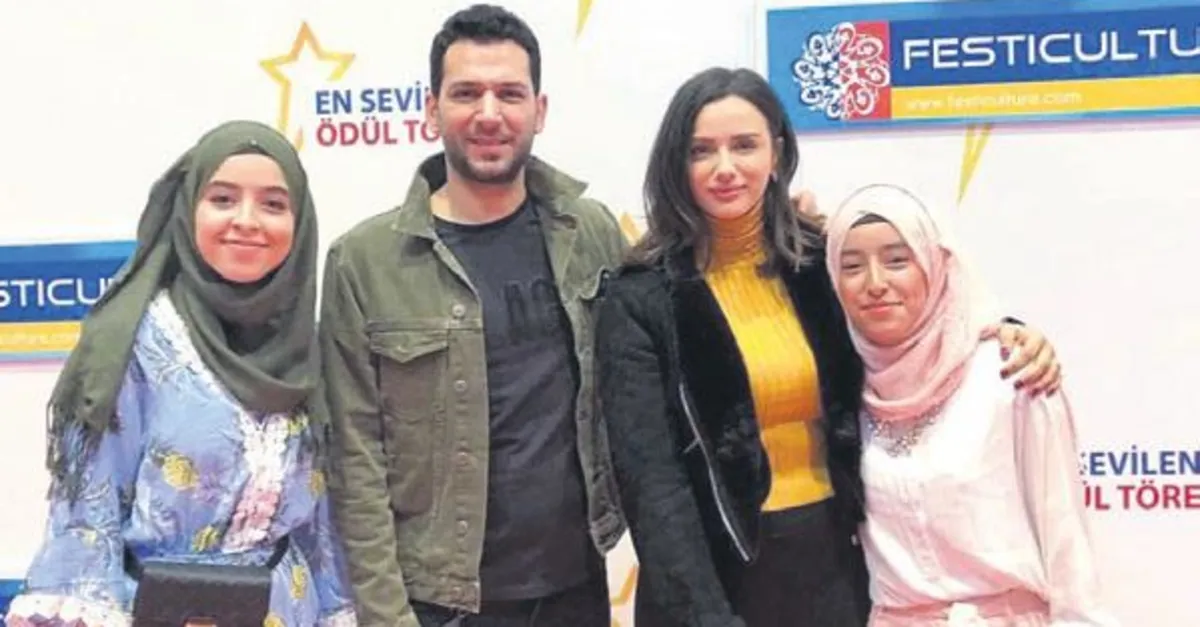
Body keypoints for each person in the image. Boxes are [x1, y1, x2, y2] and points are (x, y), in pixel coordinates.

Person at [593, 67, 1062, 627]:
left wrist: (1006, 331)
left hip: (835, 564)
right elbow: (652, 486)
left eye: (744, 145)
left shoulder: (821, 263)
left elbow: (922, 324)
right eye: (701, 151)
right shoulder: (641, 297)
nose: (725, 167)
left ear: (777, 153)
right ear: (676, 163)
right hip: (707, 578)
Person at [319, 5, 625, 626]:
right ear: (432, 111)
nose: (489, 113)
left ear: (539, 110)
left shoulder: (591, 233)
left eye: (509, 93)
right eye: (466, 93)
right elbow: (355, 462)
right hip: (439, 604)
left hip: (578, 590)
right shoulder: (363, 262)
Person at [4, 120, 357, 627]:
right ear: (188, 210)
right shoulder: (133, 342)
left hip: (286, 611)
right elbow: (87, 518)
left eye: (274, 204)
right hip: (158, 611)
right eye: (222, 199)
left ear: (299, 225)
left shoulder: (308, 347)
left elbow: (322, 530)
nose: (247, 220)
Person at [825, 184, 1116, 626]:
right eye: (851, 267)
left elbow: (1067, 546)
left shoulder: (1010, 372)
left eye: (897, 260)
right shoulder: (842, 391)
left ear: (936, 264)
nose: (876, 283)